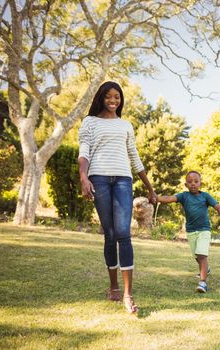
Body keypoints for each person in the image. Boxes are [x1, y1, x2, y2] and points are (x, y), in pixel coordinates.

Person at [78, 81, 157, 314]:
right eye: (109, 97)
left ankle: (127, 294)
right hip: (99, 179)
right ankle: (113, 287)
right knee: (110, 234)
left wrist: (150, 188)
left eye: (117, 97)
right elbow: (84, 152)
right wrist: (84, 178)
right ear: (101, 98)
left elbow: (134, 156)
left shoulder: (126, 125)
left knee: (123, 233)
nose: (113, 101)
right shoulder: (90, 122)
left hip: (123, 180)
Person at [157, 171, 220, 293]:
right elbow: (169, 198)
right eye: (190, 182)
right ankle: (205, 269)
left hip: (204, 230)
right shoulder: (184, 196)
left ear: (200, 183)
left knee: (202, 255)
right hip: (191, 231)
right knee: (197, 256)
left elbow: (218, 207)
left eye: (196, 181)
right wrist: (156, 198)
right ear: (186, 185)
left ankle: (203, 283)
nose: (193, 184)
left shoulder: (205, 196)